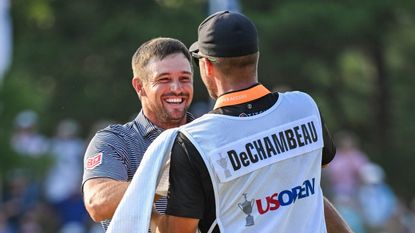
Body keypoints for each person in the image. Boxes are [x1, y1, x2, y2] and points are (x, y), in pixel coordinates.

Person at [148, 11, 352, 233]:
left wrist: (150, 208)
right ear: (256, 57)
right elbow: (309, 173)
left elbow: (178, 231)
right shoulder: (304, 107)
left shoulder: (194, 140)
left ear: (207, 66)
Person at [81, 37, 194, 231]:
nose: (177, 88)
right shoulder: (115, 141)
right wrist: (169, 177)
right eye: (164, 79)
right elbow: (97, 202)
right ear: (139, 86)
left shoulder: (209, 135)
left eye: (184, 79)